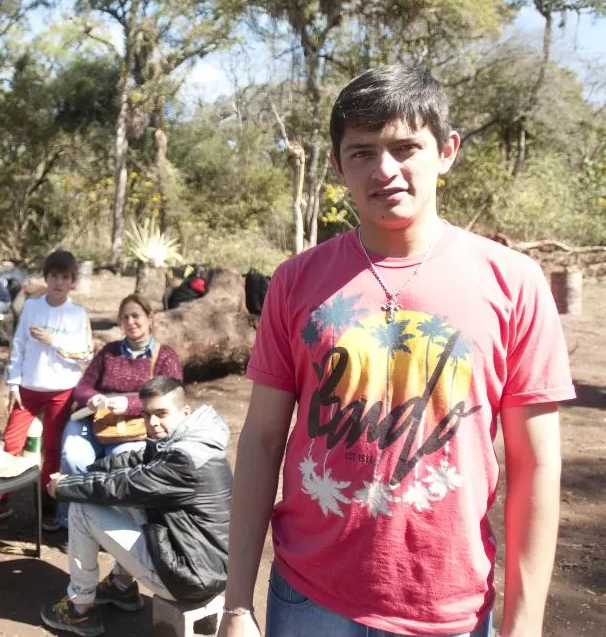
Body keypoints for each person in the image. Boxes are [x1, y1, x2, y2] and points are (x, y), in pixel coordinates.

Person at [219, 65, 575, 637]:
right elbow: (261, 439)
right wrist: (238, 603)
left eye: (406, 147)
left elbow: (537, 463)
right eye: (362, 152)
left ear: (447, 151)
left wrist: (524, 623)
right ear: (337, 165)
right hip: (309, 598)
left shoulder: (513, 282)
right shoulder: (295, 282)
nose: (385, 170)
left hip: (448, 609)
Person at [41, 376, 232, 637]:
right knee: (126, 501)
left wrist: (65, 487)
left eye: (161, 413)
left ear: (185, 412)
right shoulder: (190, 441)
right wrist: (83, 473)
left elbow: (123, 485)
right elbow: (130, 461)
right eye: (147, 414)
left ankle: (79, 609)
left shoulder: (184, 461)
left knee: (82, 507)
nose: (152, 423)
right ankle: (121, 587)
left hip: (190, 577)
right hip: (202, 564)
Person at [59, 294, 183, 527]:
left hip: (134, 426)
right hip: (95, 419)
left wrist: (131, 404)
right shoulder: (109, 351)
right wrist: (93, 398)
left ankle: (111, 525)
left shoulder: (166, 356)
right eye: (124, 317)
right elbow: (83, 386)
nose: (131, 322)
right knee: (74, 457)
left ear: (150, 318)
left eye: (136, 315)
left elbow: (171, 394)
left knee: (121, 463)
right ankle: (72, 521)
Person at [3, 249, 92, 527]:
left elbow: (86, 354)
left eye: (64, 277)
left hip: (61, 389)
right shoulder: (32, 307)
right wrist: (13, 381)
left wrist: (54, 341)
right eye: (53, 276)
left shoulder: (77, 314)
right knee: (11, 443)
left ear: (72, 281)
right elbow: (18, 345)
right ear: (46, 277)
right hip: (29, 387)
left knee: (53, 448)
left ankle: (47, 504)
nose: (57, 282)